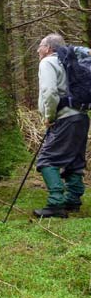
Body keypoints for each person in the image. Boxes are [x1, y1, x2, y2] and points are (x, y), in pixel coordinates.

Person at [34, 34, 90, 218]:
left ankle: (56, 202)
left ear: (49, 48)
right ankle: (73, 200)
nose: (37, 50)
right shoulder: (69, 62)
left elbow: (49, 92)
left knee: (46, 160)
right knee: (74, 159)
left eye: (40, 46)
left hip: (64, 118)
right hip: (81, 117)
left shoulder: (48, 63)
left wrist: (48, 116)